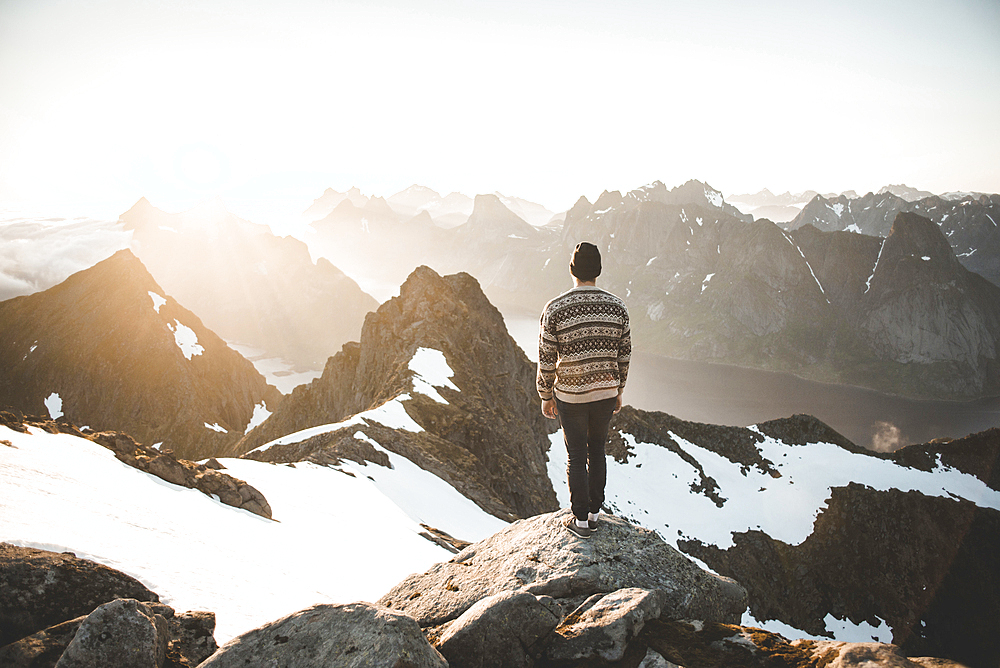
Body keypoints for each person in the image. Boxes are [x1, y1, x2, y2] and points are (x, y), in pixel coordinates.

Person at [537, 241, 631, 538]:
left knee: (576, 455)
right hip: (605, 393)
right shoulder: (618, 307)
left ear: (572, 269)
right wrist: (619, 389)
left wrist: (545, 394)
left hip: (570, 396)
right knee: (597, 452)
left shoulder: (555, 308)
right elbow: (624, 354)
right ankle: (593, 514)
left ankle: (579, 522)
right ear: (598, 271)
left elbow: (546, 357)